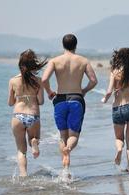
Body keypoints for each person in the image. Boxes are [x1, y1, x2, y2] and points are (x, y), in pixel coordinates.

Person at [42, 34, 97, 174]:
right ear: (76, 45)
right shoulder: (83, 61)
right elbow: (93, 81)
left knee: (62, 136)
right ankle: (68, 150)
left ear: (63, 45)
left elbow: (44, 79)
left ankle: (65, 171)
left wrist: (49, 92)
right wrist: (84, 91)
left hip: (60, 100)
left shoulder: (54, 61)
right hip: (76, 99)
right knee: (74, 136)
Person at [102, 48, 129, 173]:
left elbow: (109, 91)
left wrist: (104, 99)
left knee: (119, 138)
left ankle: (119, 150)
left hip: (117, 109)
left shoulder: (114, 73)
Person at [8, 49, 46, 177]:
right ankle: (34, 142)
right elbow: (41, 101)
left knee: (21, 151)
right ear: (33, 65)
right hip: (33, 115)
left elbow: (10, 102)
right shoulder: (39, 81)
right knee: (33, 139)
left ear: (20, 64)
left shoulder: (13, 80)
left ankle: (23, 176)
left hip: (17, 116)